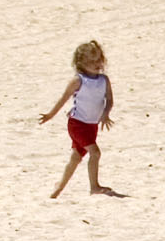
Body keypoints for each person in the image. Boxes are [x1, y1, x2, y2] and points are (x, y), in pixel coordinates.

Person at [37, 39, 121, 198]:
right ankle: (94, 187)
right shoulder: (78, 80)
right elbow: (63, 100)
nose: (97, 64)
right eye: (92, 61)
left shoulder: (104, 80)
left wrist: (106, 113)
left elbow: (109, 100)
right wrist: (50, 115)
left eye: (99, 60)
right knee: (95, 153)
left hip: (92, 125)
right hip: (77, 124)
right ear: (81, 63)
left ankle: (58, 188)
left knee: (76, 157)